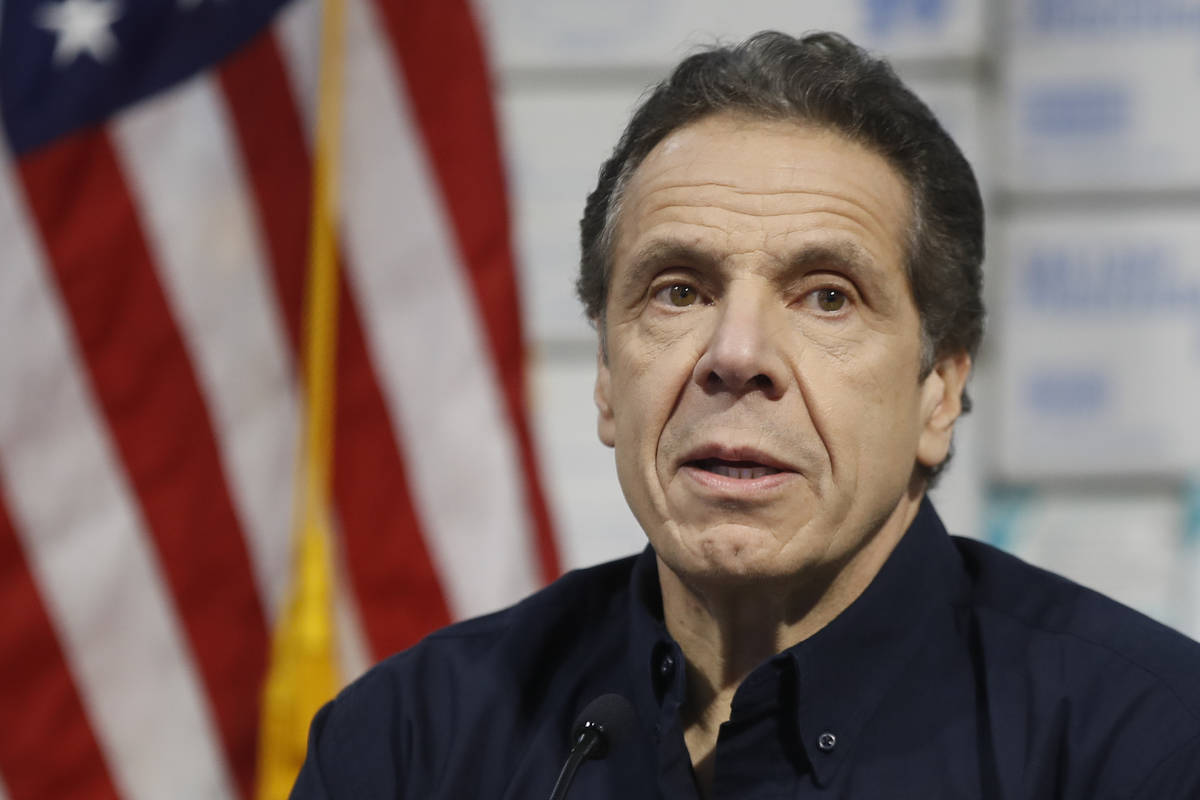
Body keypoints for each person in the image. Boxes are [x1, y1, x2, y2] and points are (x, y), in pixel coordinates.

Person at [291, 31, 1200, 799]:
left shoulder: (1143, 744)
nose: (736, 356)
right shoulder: (408, 744)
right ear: (608, 375)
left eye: (827, 297)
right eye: (678, 289)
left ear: (940, 392)